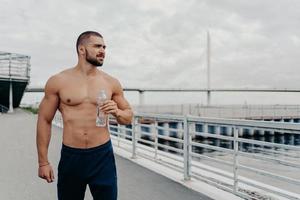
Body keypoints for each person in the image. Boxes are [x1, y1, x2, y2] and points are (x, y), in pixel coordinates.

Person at [36, 31, 133, 200]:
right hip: (71, 156)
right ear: (82, 49)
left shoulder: (111, 82)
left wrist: (117, 111)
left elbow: (128, 116)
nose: (103, 50)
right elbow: (45, 120)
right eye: (97, 46)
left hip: (102, 156)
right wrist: (43, 162)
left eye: (104, 47)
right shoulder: (58, 81)